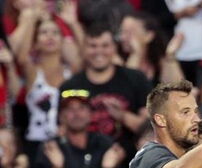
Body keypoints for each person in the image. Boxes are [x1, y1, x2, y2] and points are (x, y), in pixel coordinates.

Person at [59, 23, 151, 154]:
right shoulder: (70, 86)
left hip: (130, 160)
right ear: (84, 49)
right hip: (84, 164)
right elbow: (62, 130)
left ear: (114, 48)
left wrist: (123, 116)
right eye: (93, 46)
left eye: (105, 45)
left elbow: (151, 129)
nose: (99, 51)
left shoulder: (135, 79)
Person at [20, 17, 79, 159]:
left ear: (62, 40)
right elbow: (21, 57)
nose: (50, 36)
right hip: (35, 143)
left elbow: (83, 56)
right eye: (43, 32)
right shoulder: (32, 71)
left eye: (55, 32)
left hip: (68, 141)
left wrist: (73, 23)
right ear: (35, 42)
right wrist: (31, 18)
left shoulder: (71, 72)